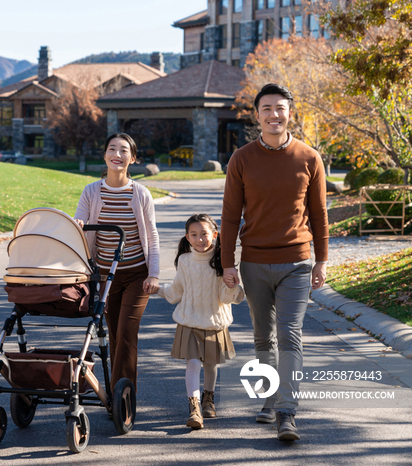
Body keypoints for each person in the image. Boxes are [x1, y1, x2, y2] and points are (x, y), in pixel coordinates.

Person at [221, 83, 328, 441]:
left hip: (297, 262)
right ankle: (268, 399)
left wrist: (321, 260)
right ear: (257, 115)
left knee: (290, 335)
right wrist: (228, 262)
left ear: (289, 113)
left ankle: (287, 412)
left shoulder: (309, 158)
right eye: (266, 108)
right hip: (253, 263)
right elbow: (231, 215)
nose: (273, 115)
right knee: (263, 337)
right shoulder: (242, 159)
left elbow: (319, 214)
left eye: (280, 108)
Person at [74, 133, 160, 392]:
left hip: (136, 274)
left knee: (125, 333)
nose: (117, 154)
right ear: (104, 156)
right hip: (105, 276)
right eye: (112, 149)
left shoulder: (141, 193)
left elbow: (152, 235)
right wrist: (77, 226)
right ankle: (118, 393)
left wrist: (153, 273)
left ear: (132, 159)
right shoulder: (91, 191)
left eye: (124, 151)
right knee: (113, 335)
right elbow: (79, 223)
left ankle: (121, 397)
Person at [152, 213, 244, 430]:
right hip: (190, 322)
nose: (200, 239)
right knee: (193, 364)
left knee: (211, 365)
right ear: (187, 237)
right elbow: (176, 292)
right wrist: (157, 290)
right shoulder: (184, 261)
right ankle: (194, 409)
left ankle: (208, 399)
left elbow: (225, 296)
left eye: (204, 234)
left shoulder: (222, 261)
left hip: (213, 322)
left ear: (214, 234)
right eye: (194, 235)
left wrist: (233, 285)